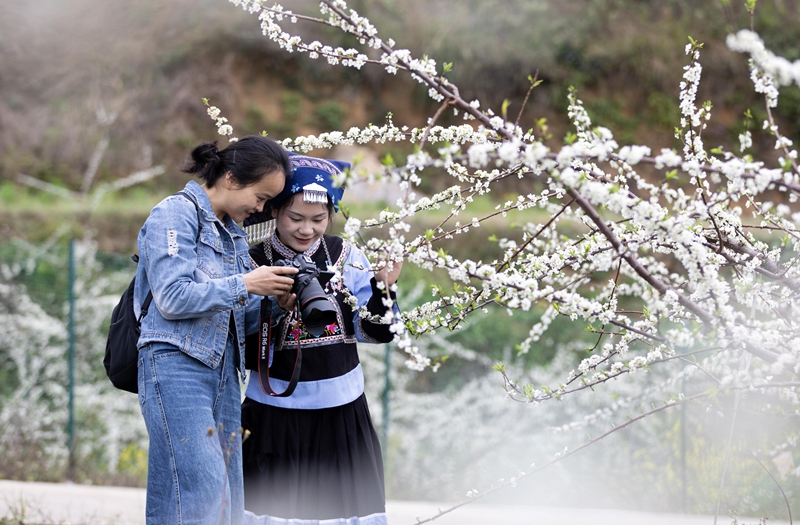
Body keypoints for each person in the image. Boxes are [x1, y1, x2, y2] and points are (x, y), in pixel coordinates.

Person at [134, 136, 299, 525]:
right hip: (176, 365)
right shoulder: (174, 214)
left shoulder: (234, 235)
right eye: (260, 197)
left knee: (223, 496)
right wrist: (247, 285)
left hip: (224, 372)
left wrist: (278, 305)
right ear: (230, 178)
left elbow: (235, 319)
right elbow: (172, 297)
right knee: (202, 487)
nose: (260, 209)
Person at [241, 154, 402, 525]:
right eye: (295, 218)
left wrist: (383, 288)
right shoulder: (252, 264)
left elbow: (380, 331)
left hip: (342, 412)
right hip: (270, 413)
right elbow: (239, 346)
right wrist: (276, 308)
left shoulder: (346, 256)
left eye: (318, 219)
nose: (306, 229)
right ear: (274, 211)